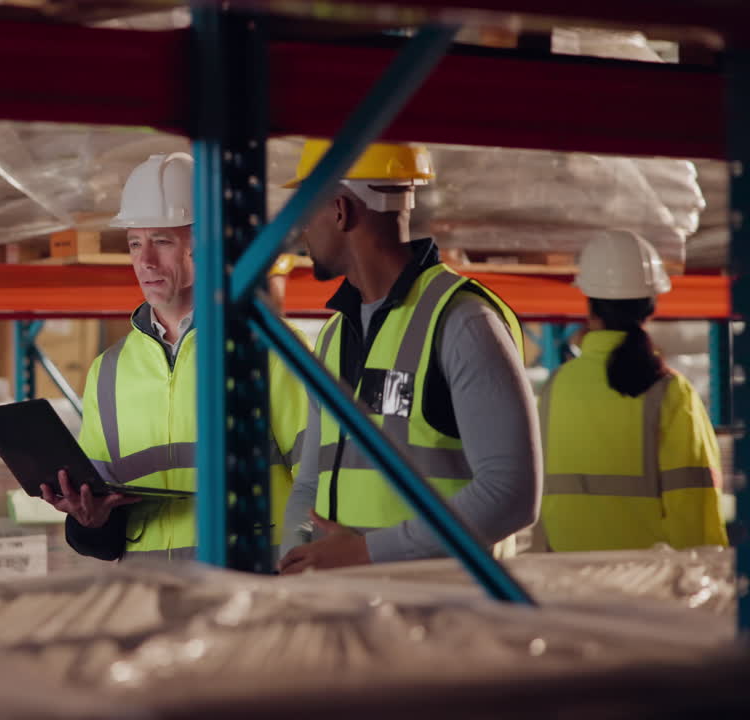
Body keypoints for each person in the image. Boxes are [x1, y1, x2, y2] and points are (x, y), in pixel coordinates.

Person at [277, 140, 541, 574]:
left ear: (340, 210)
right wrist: (294, 556)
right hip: (350, 601)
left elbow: (510, 495)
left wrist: (365, 552)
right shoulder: (333, 336)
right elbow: (310, 481)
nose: (302, 230)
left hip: (445, 602)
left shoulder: (462, 321)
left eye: (306, 211)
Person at [40, 152, 307, 562]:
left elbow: (320, 484)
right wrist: (87, 519)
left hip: (248, 586)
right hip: (151, 592)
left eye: (162, 241)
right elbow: (104, 511)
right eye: (135, 243)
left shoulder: (268, 349)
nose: (145, 261)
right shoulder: (108, 371)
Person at [535, 231, 728, 551]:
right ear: (650, 308)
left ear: (590, 308)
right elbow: (694, 505)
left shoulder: (556, 386)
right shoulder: (669, 391)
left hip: (566, 571)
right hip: (648, 574)